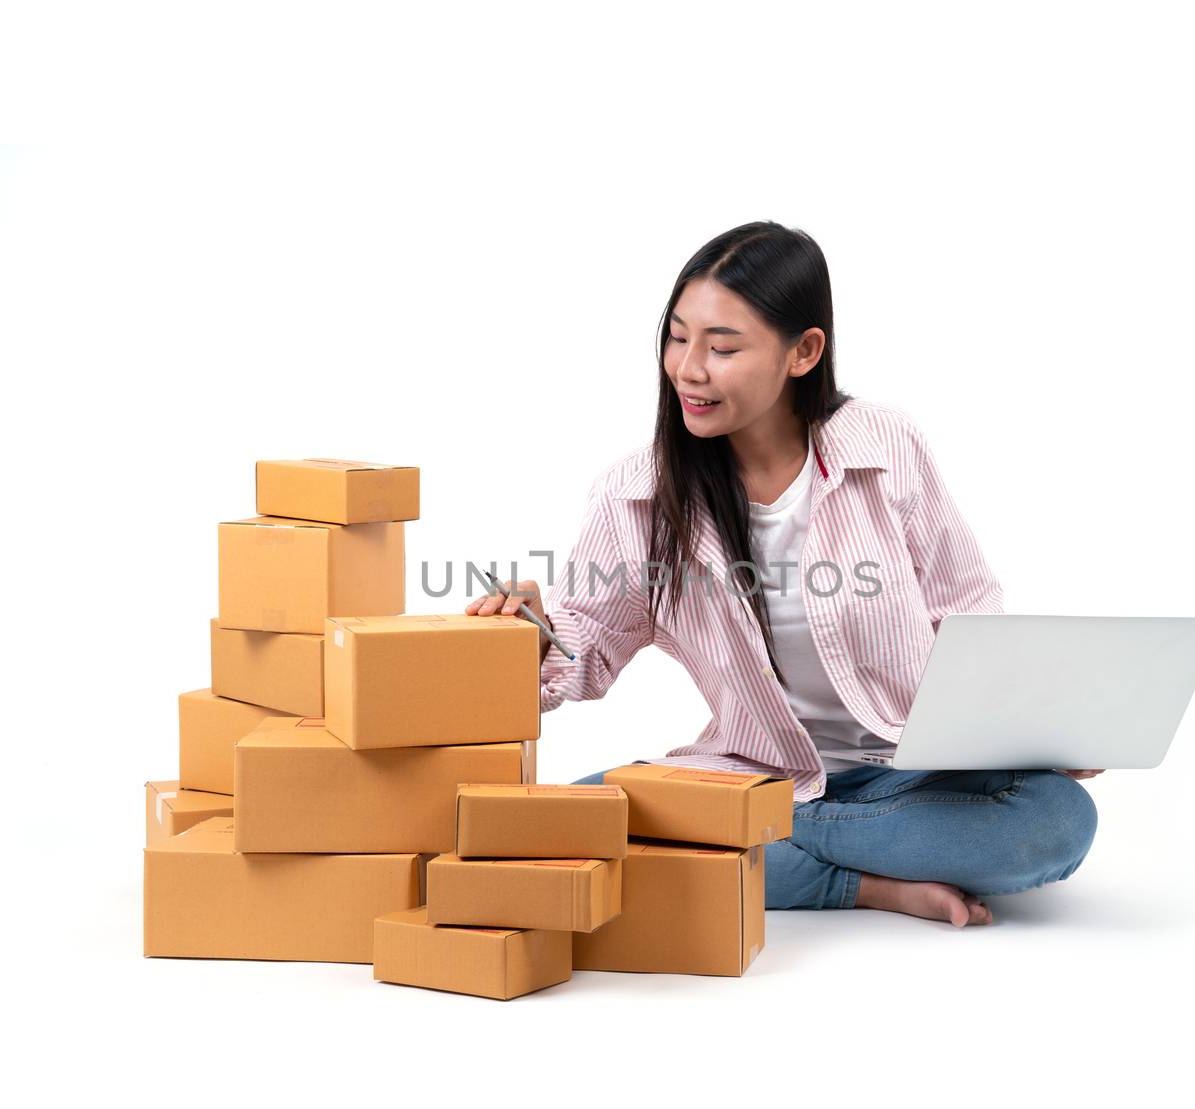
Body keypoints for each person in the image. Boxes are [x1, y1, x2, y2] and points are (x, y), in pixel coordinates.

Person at [465, 220, 1098, 928]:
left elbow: (966, 607)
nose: (688, 369)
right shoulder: (637, 493)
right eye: (677, 338)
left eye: (722, 346)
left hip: (915, 773)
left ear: (803, 352)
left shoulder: (886, 447)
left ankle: (743, 847)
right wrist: (534, 633)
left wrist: (1025, 732)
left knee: (1056, 821)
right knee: (552, 828)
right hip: (752, 774)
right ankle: (864, 883)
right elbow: (587, 651)